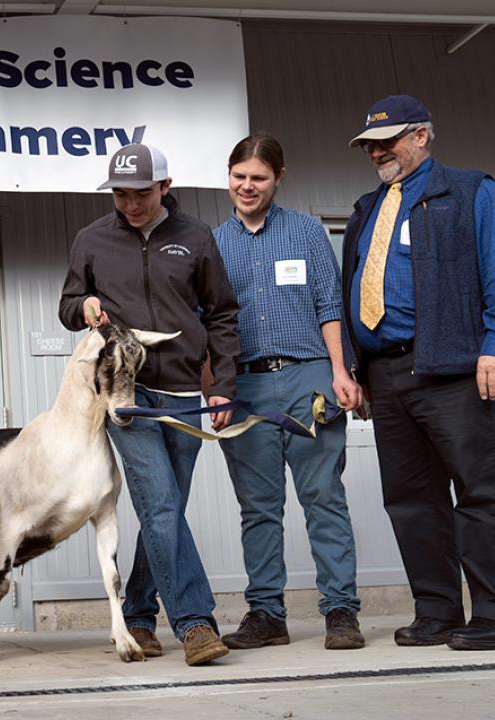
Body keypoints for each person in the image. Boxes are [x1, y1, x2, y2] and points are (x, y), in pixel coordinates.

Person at [59, 143, 239, 666]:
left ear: (165, 186)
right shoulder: (91, 239)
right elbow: (69, 303)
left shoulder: (196, 237)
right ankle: (196, 623)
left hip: (185, 394)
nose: (130, 204)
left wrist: (221, 382)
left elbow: (223, 313)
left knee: (167, 513)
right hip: (124, 394)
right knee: (160, 504)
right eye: (120, 194)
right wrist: (84, 305)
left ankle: (138, 614)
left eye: (140, 193)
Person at [342, 95, 495, 651]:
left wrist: (493, 345)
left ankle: (492, 614)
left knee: (480, 492)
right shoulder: (366, 208)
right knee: (410, 498)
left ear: (422, 136)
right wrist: (356, 367)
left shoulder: (472, 191)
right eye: (370, 145)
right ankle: (437, 611)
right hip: (386, 376)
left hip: (455, 369)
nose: (377, 152)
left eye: (389, 140)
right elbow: (353, 283)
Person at [212, 133, 365, 652]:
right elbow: (206, 324)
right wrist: (215, 391)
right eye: (239, 176)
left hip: (309, 378)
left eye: (258, 177)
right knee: (257, 506)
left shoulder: (305, 232)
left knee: (323, 497)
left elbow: (328, 307)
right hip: (245, 385)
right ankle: (266, 614)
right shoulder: (213, 244)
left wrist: (341, 372)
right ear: (228, 177)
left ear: (278, 178)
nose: (247, 186)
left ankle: (341, 611)